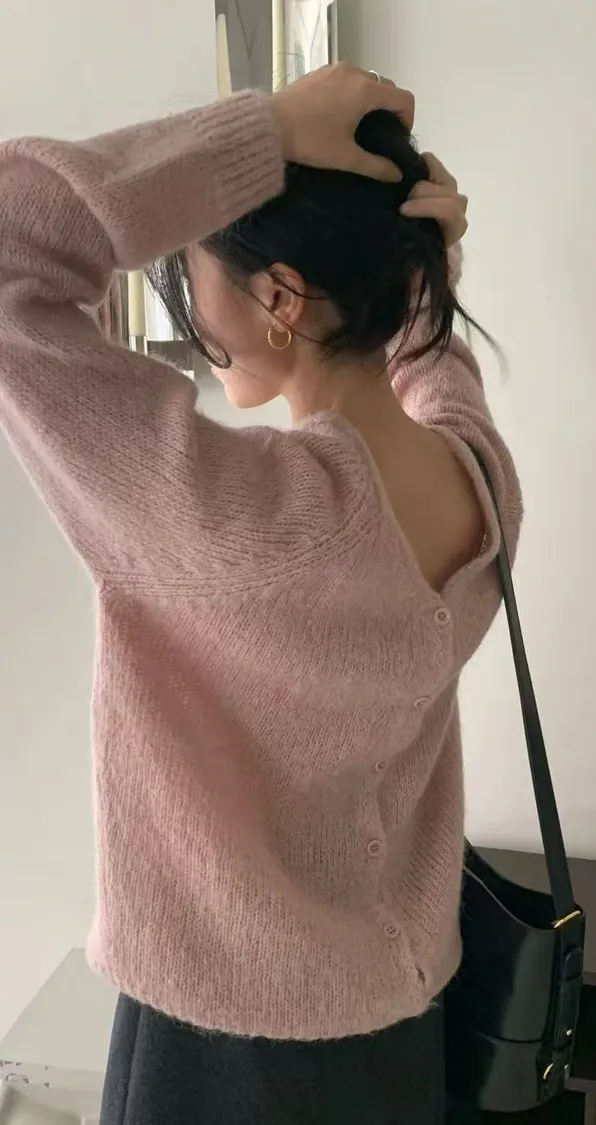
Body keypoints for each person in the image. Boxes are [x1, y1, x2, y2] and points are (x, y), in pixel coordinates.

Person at [0, 63, 522, 1124]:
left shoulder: (238, 518)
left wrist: (261, 133)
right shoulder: (481, 482)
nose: (190, 303)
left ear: (281, 297)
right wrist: (419, 272)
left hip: (222, 1047)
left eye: (193, 273)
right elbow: (434, 369)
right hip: (398, 1029)